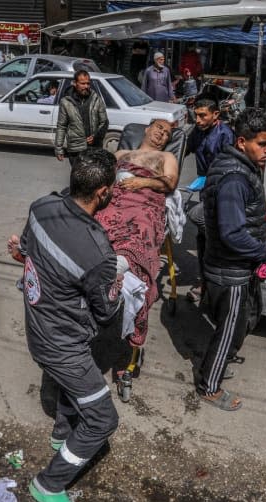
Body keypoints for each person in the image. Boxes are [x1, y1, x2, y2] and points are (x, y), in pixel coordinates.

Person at [8, 149, 122, 502]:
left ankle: (62, 435)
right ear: (102, 192)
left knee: (71, 387)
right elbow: (105, 313)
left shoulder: (41, 206)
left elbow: (25, 251)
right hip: (64, 344)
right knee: (103, 420)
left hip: (38, 329)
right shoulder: (97, 251)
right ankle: (48, 485)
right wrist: (117, 285)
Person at [197, 108, 266, 411]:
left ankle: (217, 363)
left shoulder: (238, 167)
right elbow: (233, 232)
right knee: (230, 329)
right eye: (262, 144)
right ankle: (209, 386)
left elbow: (238, 215)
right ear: (242, 142)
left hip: (230, 266)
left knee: (237, 323)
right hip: (229, 269)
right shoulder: (235, 176)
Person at [94, 119, 178, 348]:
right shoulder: (121, 153)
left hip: (143, 200)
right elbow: (101, 175)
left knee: (140, 226)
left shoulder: (166, 158)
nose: (162, 134)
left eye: (167, 134)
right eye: (159, 128)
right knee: (92, 220)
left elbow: (169, 183)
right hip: (115, 195)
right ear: (147, 129)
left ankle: (120, 265)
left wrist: (141, 181)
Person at [185, 98, 236, 304]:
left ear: (216, 115)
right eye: (196, 115)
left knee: (216, 238)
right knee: (203, 237)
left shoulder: (225, 135)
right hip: (205, 190)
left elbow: (229, 167)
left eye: (202, 115)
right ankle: (204, 280)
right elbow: (184, 149)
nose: (197, 120)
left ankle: (212, 284)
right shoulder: (198, 131)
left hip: (221, 193)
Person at [54, 70, 108, 167]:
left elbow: (104, 122)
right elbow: (61, 126)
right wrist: (59, 148)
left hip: (94, 148)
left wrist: (95, 136)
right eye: (82, 83)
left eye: (88, 83)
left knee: (93, 177)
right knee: (77, 177)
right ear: (75, 83)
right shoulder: (66, 102)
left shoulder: (96, 99)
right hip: (76, 148)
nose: (86, 86)